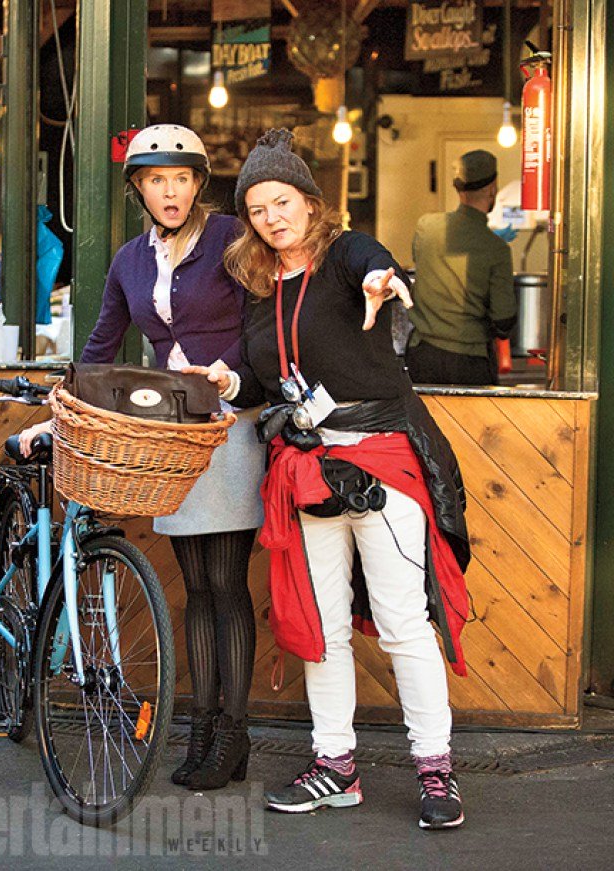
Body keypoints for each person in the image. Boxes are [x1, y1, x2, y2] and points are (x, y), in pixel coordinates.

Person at [186, 129, 471, 829]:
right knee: (323, 627)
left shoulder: (346, 255)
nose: (271, 218)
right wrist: (229, 380)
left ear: (311, 203)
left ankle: (436, 770)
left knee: (403, 623)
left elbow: (377, 263)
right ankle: (335, 764)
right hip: (305, 469)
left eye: (282, 202)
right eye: (257, 209)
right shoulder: (261, 288)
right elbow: (265, 376)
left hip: (380, 457)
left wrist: (382, 280)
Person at [19, 125, 265, 790]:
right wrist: (58, 416)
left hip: (229, 425)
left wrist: (226, 373)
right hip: (168, 439)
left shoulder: (231, 238)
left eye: (181, 178)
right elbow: (100, 348)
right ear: (139, 189)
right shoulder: (130, 260)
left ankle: (232, 733)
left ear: (198, 183)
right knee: (195, 585)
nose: (170, 191)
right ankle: (202, 728)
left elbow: (261, 328)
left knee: (226, 582)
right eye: (156, 180)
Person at [405, 149, 517, 385]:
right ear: (492, 189)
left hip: (423, 355)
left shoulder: (426, 227)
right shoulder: (496, 248)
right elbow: (504, 319)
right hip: (470, 361)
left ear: (458, 189)